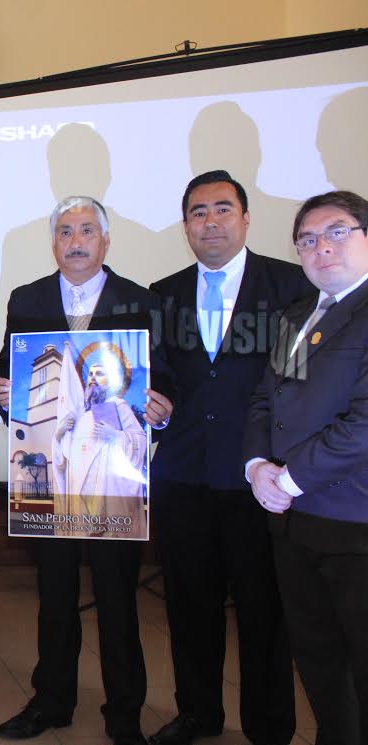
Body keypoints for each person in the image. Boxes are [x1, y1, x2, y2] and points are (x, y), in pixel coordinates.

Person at [0, 197, 174, 744]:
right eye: (65, 231)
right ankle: (51, 702)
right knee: (55, 597)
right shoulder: (28, 298)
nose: (76, 241)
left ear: (106, 241)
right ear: (54, 243)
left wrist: (162, 409)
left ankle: (124, 714)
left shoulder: (140, 301)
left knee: (119, 598)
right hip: (54, 473)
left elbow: (162, 377)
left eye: (87, 230)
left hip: (114, 477)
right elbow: (8, 369)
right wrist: (5, 395)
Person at [148, 171, 307, 745]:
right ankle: (198, 714)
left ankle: (269, 725)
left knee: (265, 610)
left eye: (222, 209)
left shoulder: (291, 287)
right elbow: (159, 374)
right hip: (184, 475)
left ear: (244, 218)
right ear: (185, 223)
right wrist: (155, 401)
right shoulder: (161, 294)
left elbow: (302, 381)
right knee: (190, 604)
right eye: (197, 212)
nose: (209, 221)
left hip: (259, 477)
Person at [243, 190, 368, 745]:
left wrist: (288, 478)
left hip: (355, 522)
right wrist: (255, 468)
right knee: (317, 656)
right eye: (308, 240)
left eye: (338, 232)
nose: (322, 248)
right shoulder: (298, 315)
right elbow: (266, 399)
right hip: (294, 522)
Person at [52, 357, 148, 537]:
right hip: (78, 494)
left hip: (105, 495)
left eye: (99, 373)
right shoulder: (80, 414)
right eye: (90, 373)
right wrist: (58, 435)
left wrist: (115, 435)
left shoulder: (118, 406)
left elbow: (139, 441)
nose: (93, 377)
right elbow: (65, 457)